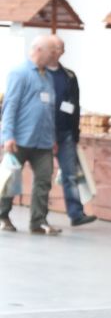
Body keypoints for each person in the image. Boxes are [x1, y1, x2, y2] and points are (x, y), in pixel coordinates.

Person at [0, 35, 63, 235]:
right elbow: (10, 106)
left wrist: (53, 137)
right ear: (39, 50)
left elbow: (49, 109)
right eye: (52, 51)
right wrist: (7, 135)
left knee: (44, 180)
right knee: (10, 180)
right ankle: (2, 216)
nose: (55, 55)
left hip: (43, 141)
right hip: (19, 139)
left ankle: (38, 221)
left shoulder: (47, 77)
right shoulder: (20, 73)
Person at [47, 36, 97, 227]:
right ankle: (39, 215)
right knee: (43, 175)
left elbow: (75, 105)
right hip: (42, 132)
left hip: (65, 131)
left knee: (69, 174)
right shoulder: (38, 74)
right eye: (56, 48)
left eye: (62, 48)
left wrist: (75, 132)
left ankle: (76, 213)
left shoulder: (69, 75)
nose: (59, 51)